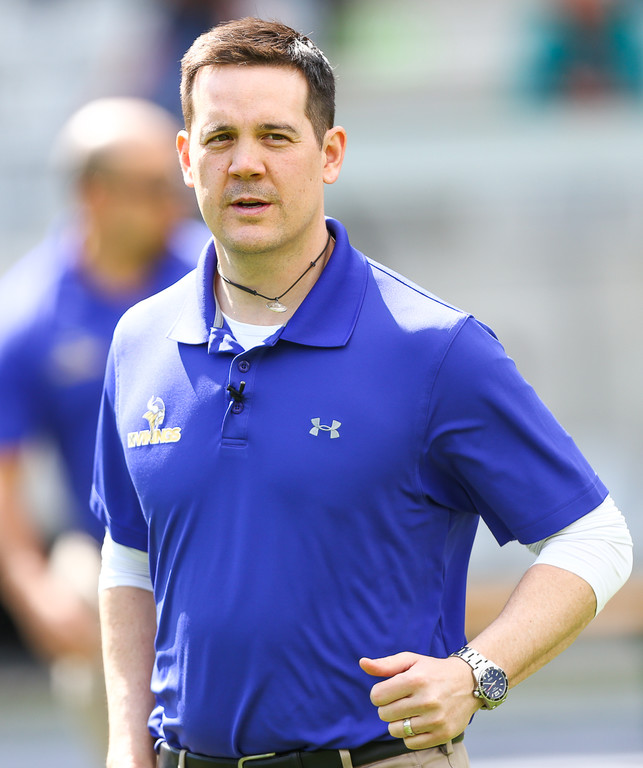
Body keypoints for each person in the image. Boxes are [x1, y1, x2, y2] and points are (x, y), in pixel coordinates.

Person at [91, 18, 633, 768]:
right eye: (220, 139)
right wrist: (126, 743)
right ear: (187, 158)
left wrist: (477, 674)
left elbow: (595, 537)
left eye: (276, 136)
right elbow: (128, 556)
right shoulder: (139, 341)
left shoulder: (434, 348)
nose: (246, 163)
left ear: (330, 153)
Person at [0, 97, 207, 756]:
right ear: (95, 193)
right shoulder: (30, 313)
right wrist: (32, 590)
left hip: (221, 531)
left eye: (175, 183)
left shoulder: (214, 275)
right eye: (152, 187)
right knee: (80, 586)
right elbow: (5, 473)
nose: (174, 204)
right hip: (105, 548)